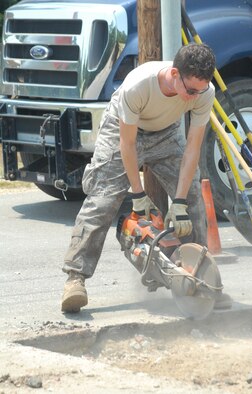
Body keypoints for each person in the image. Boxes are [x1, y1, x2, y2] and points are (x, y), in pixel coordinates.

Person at [61, 43, 230, 313]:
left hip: (166, 131)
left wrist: (180, 201)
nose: (193, 97)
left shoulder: (202, 92)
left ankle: (200, 276)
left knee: (194, 196)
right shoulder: (138, 85)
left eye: (200, 90)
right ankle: (75, 278)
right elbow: (128, 145)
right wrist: (138, 195)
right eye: (190, 91)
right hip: (125, 128)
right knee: (104, 199)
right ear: (175, 73)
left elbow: (192, 149)